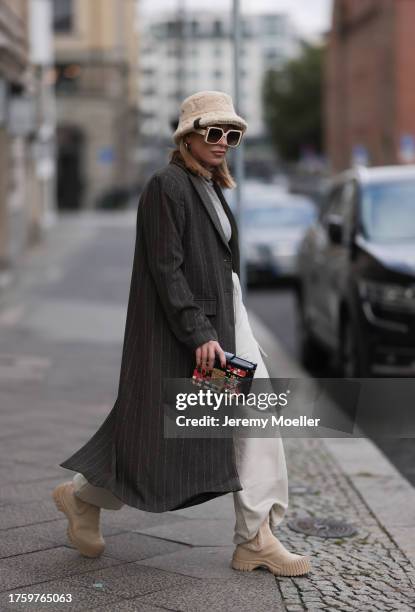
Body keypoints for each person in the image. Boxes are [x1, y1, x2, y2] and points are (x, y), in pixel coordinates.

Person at [52, 90, 311, 577]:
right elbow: (166, 268)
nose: (223, 142)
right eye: (213, 132)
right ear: (187, 136)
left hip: (228, 323)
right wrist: (199, 333)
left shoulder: (209, 185)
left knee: (221, 425)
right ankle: (252, 537)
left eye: (232, 134)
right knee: (167, 434)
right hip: (203, 334)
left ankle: (253, 536)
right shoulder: (166, 186)